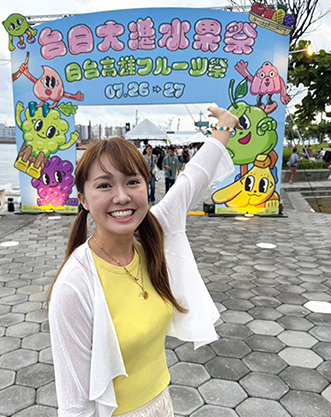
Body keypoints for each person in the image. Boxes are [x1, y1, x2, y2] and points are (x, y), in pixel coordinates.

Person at [48, 107, 241, 415]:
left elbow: (193, 177)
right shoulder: (74, 287)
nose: (122, 196)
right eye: (104, 185)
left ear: (146, 187)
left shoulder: (151, 236)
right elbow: (74, 404)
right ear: (82, 199)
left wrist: (225, 127)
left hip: (162, 403)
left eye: (133, 182)